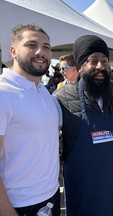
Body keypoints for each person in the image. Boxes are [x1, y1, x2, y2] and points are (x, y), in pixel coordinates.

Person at [53, 35, 113, 216]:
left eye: (104, 61)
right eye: (92, 61)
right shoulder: (61, 99)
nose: (100, 66)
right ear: (80, 65)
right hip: (84, 195)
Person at [0, 23, 61, 216]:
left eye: (46, 47)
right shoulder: (3, 93)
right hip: (18, 204)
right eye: (31, 45)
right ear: (13, 51)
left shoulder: (43, 91)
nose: (40, 52)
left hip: (50, 196)